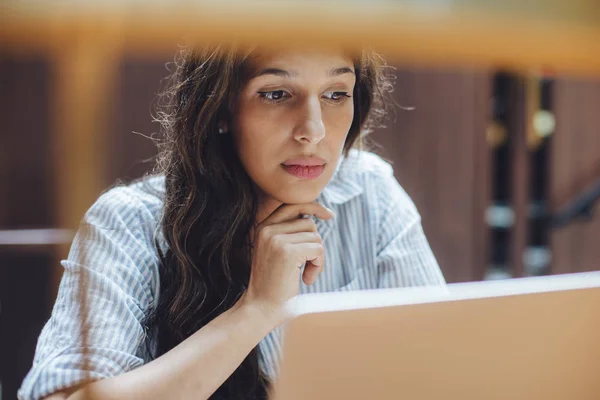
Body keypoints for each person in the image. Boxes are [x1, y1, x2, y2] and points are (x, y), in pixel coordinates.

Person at [19, 45, 445, 400]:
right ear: (221, 109)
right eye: (277, 94)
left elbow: (449, 369)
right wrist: (256, 310)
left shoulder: (369, 192)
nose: (313, 131)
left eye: (336, 94)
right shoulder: (130, 222)